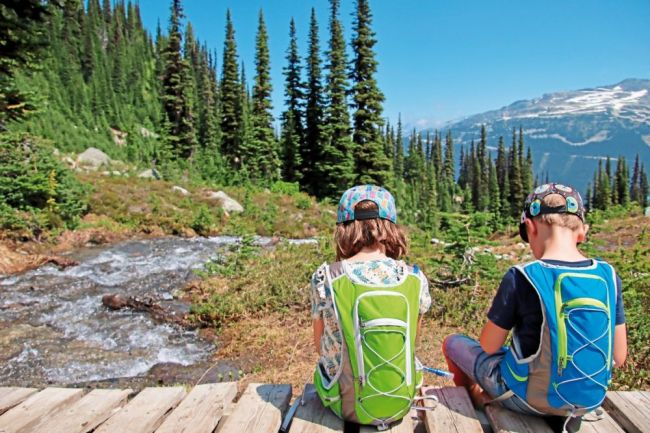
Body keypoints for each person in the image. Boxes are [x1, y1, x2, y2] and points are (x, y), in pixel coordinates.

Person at [443, 183, 627, 433]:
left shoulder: (523, 276)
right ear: (582, 232)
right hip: (588, 402)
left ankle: (477, 401)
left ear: (530, 228)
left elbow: (488, 346)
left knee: (453, 343)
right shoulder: (608, 275)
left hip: (526, 399)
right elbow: (619, 356)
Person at [310, 185, 431, 429]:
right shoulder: (415, 278)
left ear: (344, 228)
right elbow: (413, 341)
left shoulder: (326, 277)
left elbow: (319, 345)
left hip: (344, 404)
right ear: (390, 227)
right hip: (401, 401)